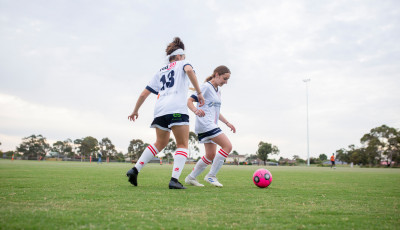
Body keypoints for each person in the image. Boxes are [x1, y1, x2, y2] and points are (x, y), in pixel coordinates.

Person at [126, 37, 205, 189]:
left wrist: (135, 111)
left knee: (160, 143)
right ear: (180, 55)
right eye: (184, 56)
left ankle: (135, 169)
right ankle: (174, 180)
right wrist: (199, 93)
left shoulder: (160, 71)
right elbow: (188, 70)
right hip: (177, 108)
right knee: (182, 144)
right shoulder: (184, 63)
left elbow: (144, 94)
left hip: (160, 110)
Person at [184, 65, 236, 187]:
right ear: (217, 74)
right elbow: (189, 101)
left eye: (227, 79)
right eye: (225, 78)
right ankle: (211, 176)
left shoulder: (218, 90)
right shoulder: (206, 87)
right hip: (205, 124)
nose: (226, 82)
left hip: (210, 124)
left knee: (210, 155)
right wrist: (196, 111)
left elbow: (216, 112)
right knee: (227, 146)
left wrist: (227, 123)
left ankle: (190, 178)